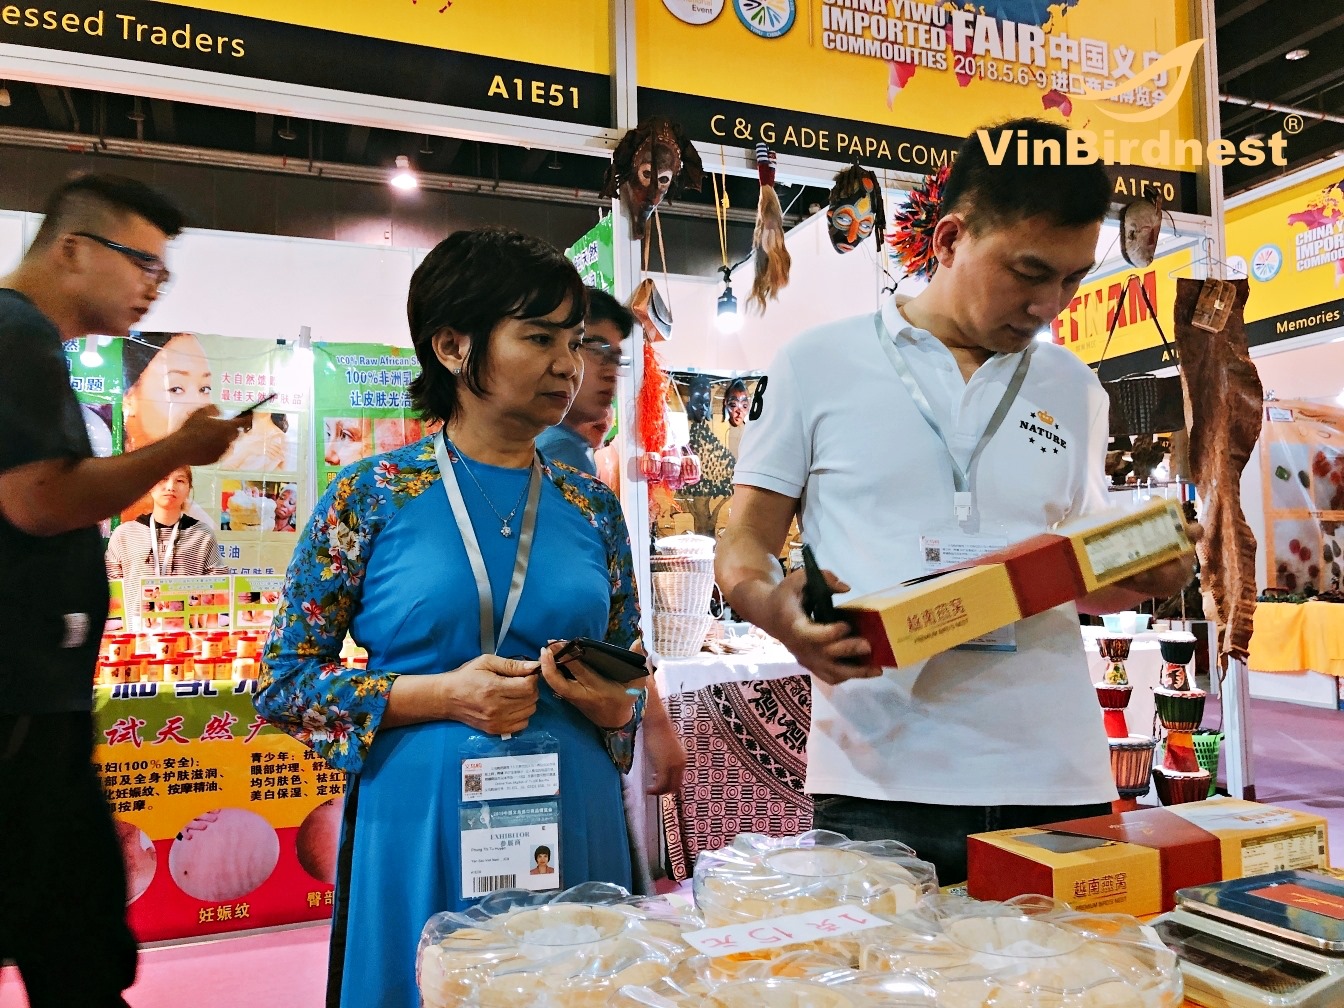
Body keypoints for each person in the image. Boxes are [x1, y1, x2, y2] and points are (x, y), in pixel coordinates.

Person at [714, 118, 1198, 886]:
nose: (1049, 304)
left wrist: (1145, 574)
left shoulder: (1073, 387)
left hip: (1056, 779)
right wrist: (775, 607)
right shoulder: (818, 363)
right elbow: (744, 537)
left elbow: (1074, 575)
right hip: (879, 779)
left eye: (1072, 278)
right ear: (948, 239)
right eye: (1029, 272)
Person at [255, 228, 677, 1008]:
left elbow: (626, 665)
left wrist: (617, 707)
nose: (568, 365)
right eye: (539, 338)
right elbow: (284, 685)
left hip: (575, 812)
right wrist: (441, 695)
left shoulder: (592, 505)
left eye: (575, 342)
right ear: (452, 346)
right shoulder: (370, 495)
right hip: (422, 823)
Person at [0, 173, 248, 1008]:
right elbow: (38, 500)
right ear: (73, 249)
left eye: (162, 273)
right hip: (18, 701)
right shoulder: (15, 335)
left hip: (36, 698)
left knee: (76, 939)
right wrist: (178, 450)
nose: (152, 286)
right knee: (76, 945)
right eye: (141, 263)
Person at [535, 287, 631, 477]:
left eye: (616, 359)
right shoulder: (560, 454)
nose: (611, 372)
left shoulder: (556, 443)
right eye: (598, 350)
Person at [105, 466, 229, 580]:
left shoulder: (202, 535)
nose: (170, 487)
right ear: (150, 486)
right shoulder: (125, 534)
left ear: (189, 489)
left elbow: (219, 584)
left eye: (180, 481)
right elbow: (110, 584)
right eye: (163, 479)